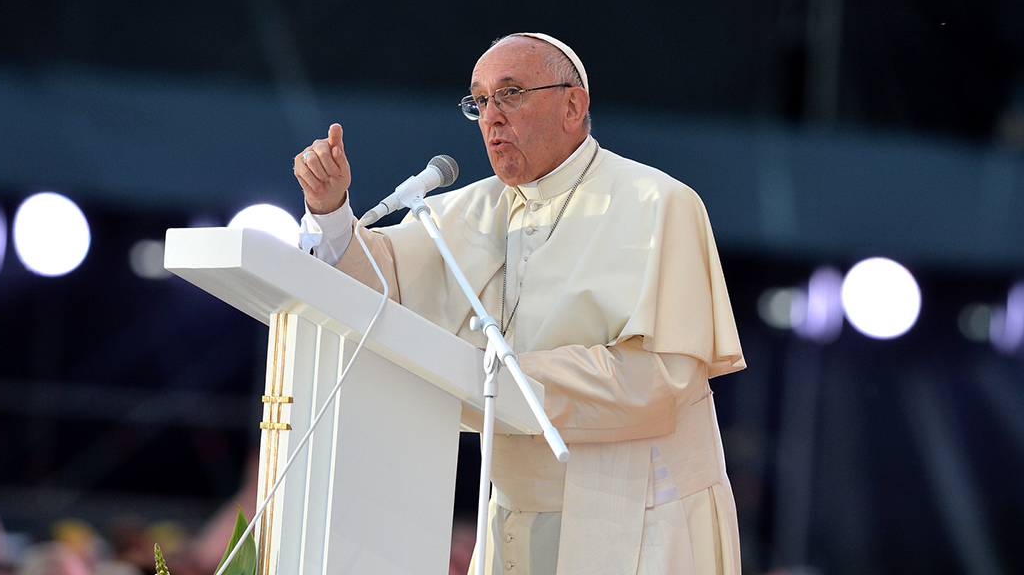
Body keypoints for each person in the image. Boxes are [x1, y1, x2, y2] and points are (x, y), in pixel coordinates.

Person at [293, 33, 745, 575]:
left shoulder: (658, 202)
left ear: (572, 106)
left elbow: (662, 380)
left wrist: (495, 382)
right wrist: (332, 211)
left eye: (510, 94)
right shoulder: (469, 209)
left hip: (644, 507)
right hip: (512, 512)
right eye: (480, 101)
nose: (491, 117)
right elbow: (379, 294)